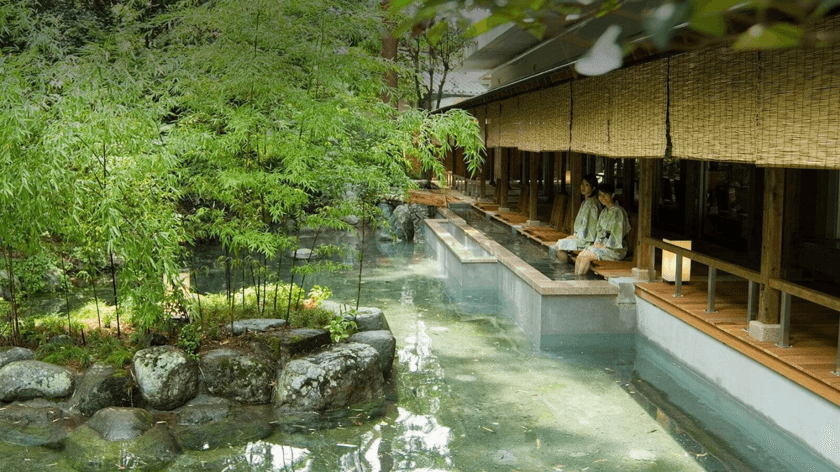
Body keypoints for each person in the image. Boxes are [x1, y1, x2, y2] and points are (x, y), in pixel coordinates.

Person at [575, 183, 631, 275]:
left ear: (612, 195)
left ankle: (579, 282)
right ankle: (576, 280)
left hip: (615, 249)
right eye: (600, 195)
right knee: (581, 255)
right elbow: (599, 231)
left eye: (605, 194)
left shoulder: (618, 212)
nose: (602, 197)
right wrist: (597, 243)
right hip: (603, 246)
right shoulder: (604, 211)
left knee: (585, 257)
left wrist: (604, 246)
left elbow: (616, 235)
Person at [553, 174, 601, 263]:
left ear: (593, 188)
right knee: (559, 245)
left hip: (586, 241)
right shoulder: (585, 203)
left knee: (558, 246)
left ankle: (563, 269)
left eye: (587, 185)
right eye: (582, 184)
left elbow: (591, 229)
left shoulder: (593, 205)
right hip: (580, 237)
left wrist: (577, 236)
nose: (583, 187)